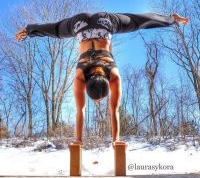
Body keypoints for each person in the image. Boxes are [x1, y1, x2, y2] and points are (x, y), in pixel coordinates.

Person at [16, 12, 189, 145]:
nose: (98, 103)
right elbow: (81, 110)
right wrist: (83, 140)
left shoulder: (113, 75)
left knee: (136, 22)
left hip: (105, 23)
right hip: (80, 24)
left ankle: (171, 19)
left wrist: (110, 139)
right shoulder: (80, 76)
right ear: (87, 83)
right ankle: (171, 18)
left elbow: (113, 111)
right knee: (57, 30)